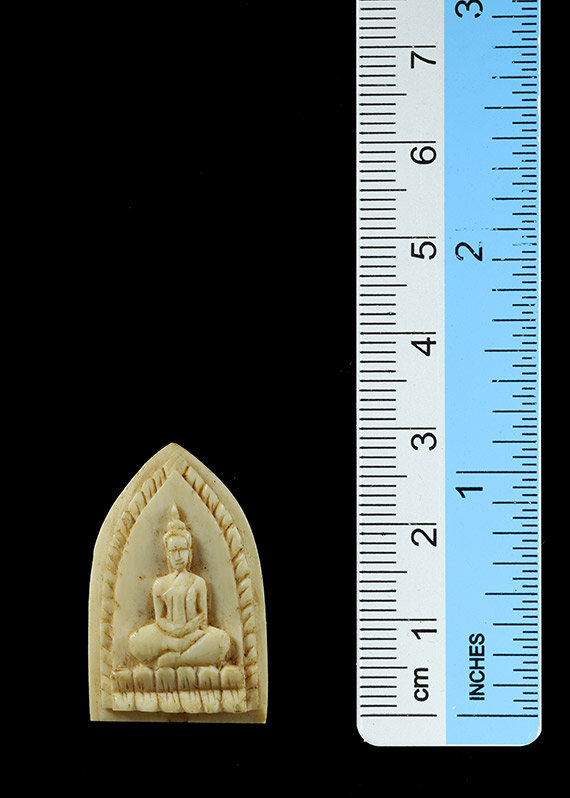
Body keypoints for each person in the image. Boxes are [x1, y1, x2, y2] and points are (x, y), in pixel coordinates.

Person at [128, 504, 230, 667]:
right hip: (167, 636)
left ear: (189, 551)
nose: (178, 556)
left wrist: (186, 630)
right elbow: (160, 619)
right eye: (174, 551)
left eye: (182, 550)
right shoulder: (160, 584)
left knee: (222, 640)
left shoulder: (198, 582)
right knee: (135, 641)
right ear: (167, 554)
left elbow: (202, 616)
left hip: (193, 634)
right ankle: (179, 651)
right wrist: (173, 632)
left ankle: (175, 659)